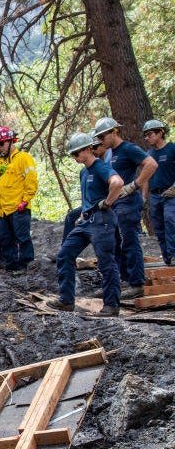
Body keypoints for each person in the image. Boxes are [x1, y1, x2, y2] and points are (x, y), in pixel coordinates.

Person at [47, 133, 123, 316]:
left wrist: (107, 202)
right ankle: (66, 300)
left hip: (102, 220)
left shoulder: (100, 167)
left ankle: (111, 306)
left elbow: (118, 182)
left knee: (106, 262)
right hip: (87, 220)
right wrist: (82, 214)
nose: (75, 158)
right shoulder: (84, 172)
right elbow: (87, 197)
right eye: (72, 154)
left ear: (89, 149)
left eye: (77, 153)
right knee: (65, 254)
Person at [93, 117, 157, 298]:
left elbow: (151, 164)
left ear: (114, 132)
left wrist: (134, 185)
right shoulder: (109, 153)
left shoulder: (127, 148)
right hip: (116, 204)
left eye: (103, 136)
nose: (100, 141)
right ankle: (121, 282)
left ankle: (136, 284)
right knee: (115, 244)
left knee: (130, 241)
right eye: (98, 138)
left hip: (128, 204)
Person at [0, 127, 38, 275]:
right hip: (3, 210)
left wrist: (25, 200)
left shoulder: (23, 158)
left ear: (11, 141)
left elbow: (31, 180)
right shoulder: (0, 163)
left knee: (22, 238)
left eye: (2, 143)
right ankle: (9, 268)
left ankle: (26, 266)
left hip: (18, 208)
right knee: (5, 240)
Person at [143, 119, 175, 265]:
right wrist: (144, 197)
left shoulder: (172, 149)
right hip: (155, 195)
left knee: (170, 221)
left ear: (160, 132)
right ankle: (167, 258)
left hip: (171, 194)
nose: (147, 138)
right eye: (146, 135)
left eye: (150, 134)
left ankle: (174, 255)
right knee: (159, 226)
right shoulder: (149, 154)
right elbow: (146, 178)